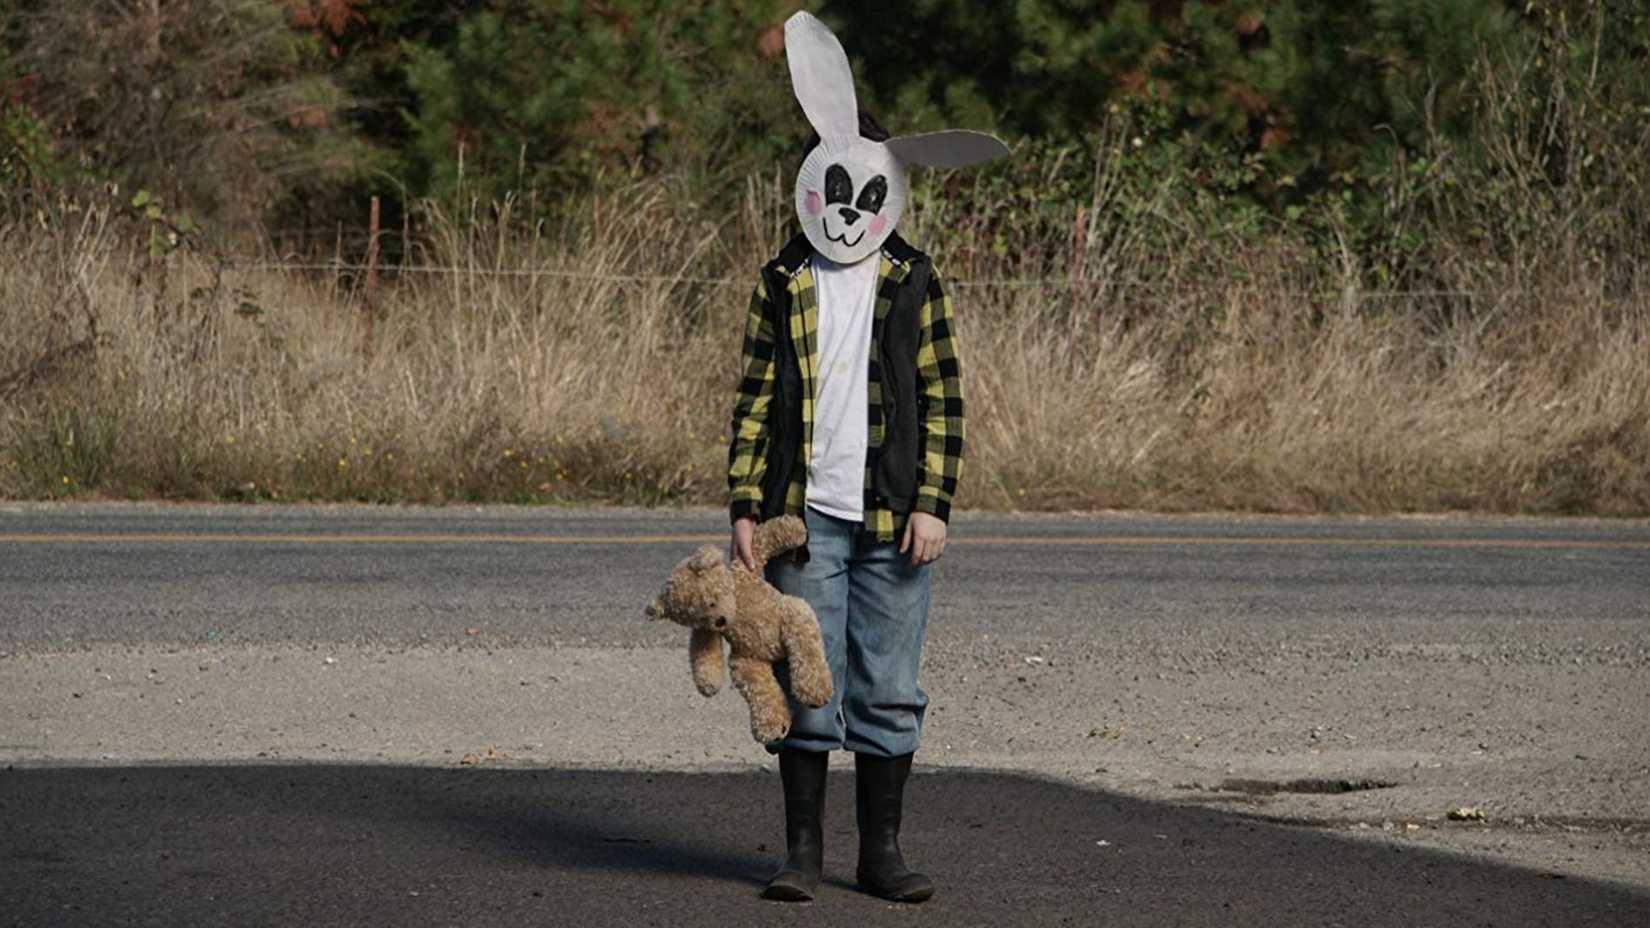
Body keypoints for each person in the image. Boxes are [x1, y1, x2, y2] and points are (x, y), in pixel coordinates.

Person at [726, 12, 1007, 906]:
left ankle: (879, 852)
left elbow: (946, 402)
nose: (848, 207)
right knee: (810, 683)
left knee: (888, 687)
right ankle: (801, 851)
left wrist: (936, 503)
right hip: (804, 520)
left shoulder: (915, 282)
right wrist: (744, 503)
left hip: (894, 520)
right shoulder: (783, 282)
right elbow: (756, 398)